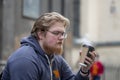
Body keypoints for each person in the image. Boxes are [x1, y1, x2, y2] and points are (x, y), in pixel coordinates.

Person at [1, 12, 96, 80]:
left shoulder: (56, 59)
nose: (62, 38)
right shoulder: (25, 59)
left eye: (63, 34)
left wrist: (84, 70)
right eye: (56, 33)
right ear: (40, 34)